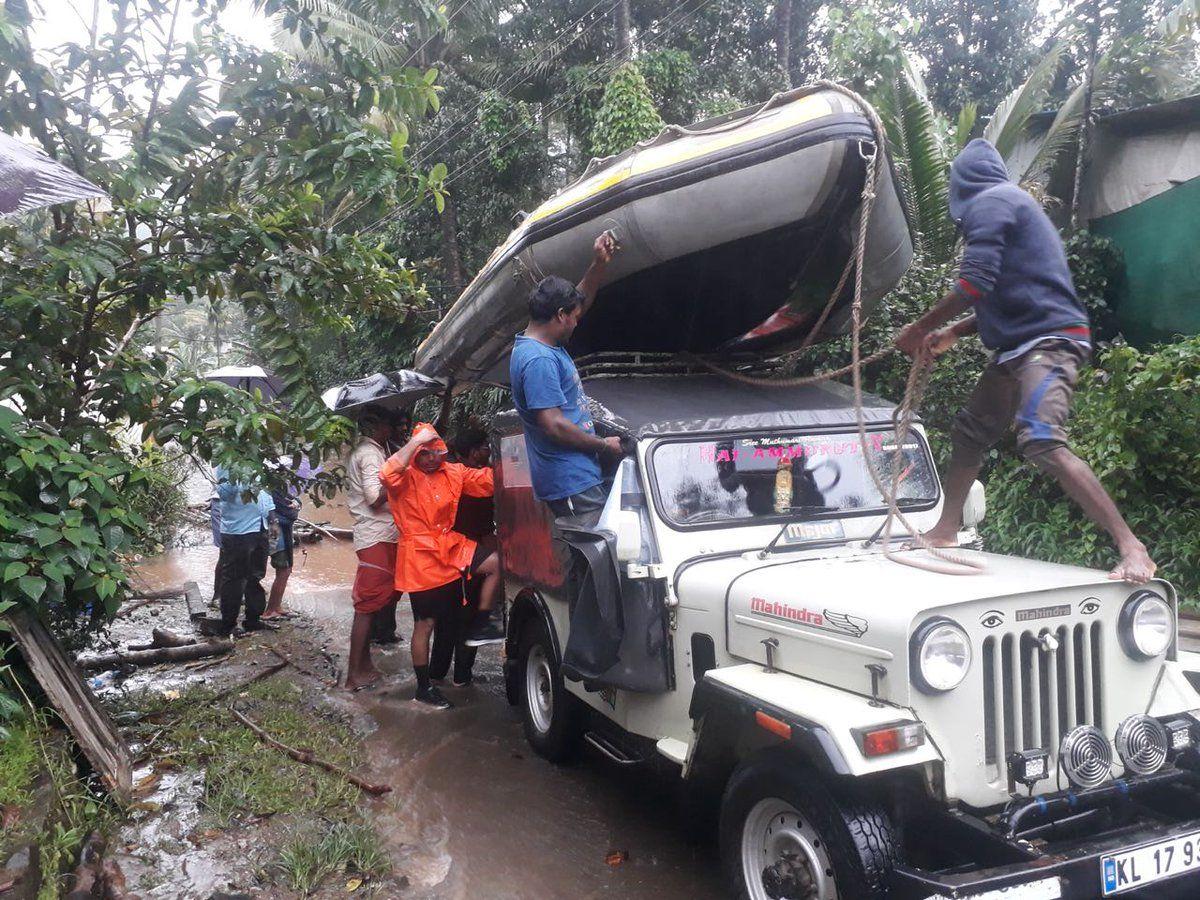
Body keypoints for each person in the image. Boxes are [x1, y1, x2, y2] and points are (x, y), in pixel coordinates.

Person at [895, 138, 1156, 584]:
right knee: (971, 430)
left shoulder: (990, 202)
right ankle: (945, 530)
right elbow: (1003, 291)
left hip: (1048, 343)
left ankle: (1133, 549)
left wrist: (918, 329)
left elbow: (974, 283)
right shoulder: (1011, 203)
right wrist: (952, 332)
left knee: (1041, 439)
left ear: (961, 182)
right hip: (1019, 346)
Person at [380, 423, 500, 709]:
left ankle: (483, 623)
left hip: (451, 547)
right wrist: (415, 442)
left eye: (437, 452)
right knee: (426, 624)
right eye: (425, 454)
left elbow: (487, 482)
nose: (433, 459)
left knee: (498, 563)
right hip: (420, 557)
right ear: (415, 455)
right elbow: (386, 473)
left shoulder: (454, 472)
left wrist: (528, 458)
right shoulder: (404, 477)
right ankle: (424, 688)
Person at [509, 233, 623, 526]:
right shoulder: (539, 360)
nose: (577, 319)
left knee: (591, 557)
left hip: (577, 475)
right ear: (560, 315)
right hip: (570, 479)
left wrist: (599, 264)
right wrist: (603, 445)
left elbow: (580, 300)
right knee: (595, 560)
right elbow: (553, 425)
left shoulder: (540, 344)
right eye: (573, 315)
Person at [429, 425, 494, 688]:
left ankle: (440, 673)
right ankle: (459, 675)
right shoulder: (467, 479)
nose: (487, 451)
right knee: (464, 617)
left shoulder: (451, 474)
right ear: (470, 452)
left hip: (454, 554)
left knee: (450, 616)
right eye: (482, 447)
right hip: (467, 553)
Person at [344, 408, 400, 691]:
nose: (392, 428)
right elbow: (375, 497)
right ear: (377, 425)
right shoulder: (369, 455)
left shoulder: (372, 451)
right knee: (366, 605)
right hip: (376, 535)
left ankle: (362, 666)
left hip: (378, 535)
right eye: (389, 423)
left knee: (373, 602)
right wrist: (398, 480)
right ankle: (354, 674)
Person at [206, 467, 275, 636]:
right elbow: (225, 494)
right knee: (234, 579)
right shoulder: (226, 463)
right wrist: (238, 471)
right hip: (238, 529)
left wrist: (272, 516)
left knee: (256, 575)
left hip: (260, 526)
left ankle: (253, 619)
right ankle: (228, 624)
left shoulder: (255, 458)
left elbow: (265, 491)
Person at [369, 412, 410, 646]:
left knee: (394, 583)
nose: (403, 430)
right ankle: (380, 630)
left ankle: (383, 628)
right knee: (387, 582)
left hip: (396, 522)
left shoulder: (398, 447)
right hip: (384, 524)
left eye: (406, 426)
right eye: (399, 426)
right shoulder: (385, 452)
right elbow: (376, 494)